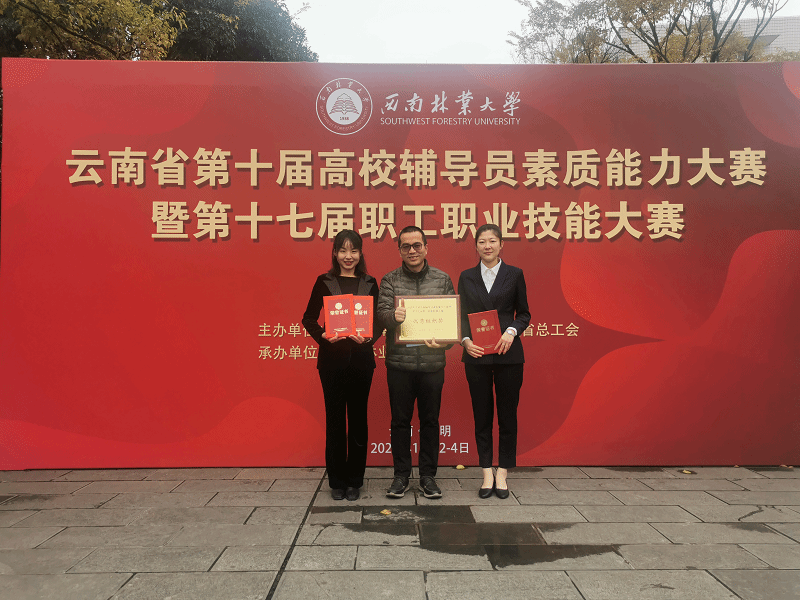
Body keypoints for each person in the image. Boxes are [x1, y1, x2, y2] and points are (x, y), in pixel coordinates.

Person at [377, 225, 455, 499]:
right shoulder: (389, 280)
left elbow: (451, 321)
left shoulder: (442, 279)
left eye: (417, 245)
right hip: (400, 365)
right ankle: (400, 476)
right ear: (399, 250)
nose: (412, 251)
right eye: (406, 246)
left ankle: (427, 477)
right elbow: (381, 314)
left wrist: (445, 342)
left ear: (426, 248)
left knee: (430, 421)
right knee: (400, 422)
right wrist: (393, 317)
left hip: (432, 365)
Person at [302, 230, 379, 501]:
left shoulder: (369, 283)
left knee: (358, 421)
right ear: (335, 253)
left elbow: (377, 322)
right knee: (334, 421)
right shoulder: (325, 281)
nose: (349, 256)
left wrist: (368, 338)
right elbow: (309, 318)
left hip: (361, 362)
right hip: (331, 362)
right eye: (343, 250)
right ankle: (336, 480)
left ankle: (355, 480)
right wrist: (323, 336)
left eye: (354, 251)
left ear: (360, 253)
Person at [458, 223, 530, 499]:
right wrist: (466, 341)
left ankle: (503, 472)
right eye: (482, 241)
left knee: (507, 415)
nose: (487, 246)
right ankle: (486, 471)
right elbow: (461, 316)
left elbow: (524, 313)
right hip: (476, 355)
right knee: (482, 415)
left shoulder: (515, 274)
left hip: (508, 355)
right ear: (476, 246)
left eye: (492, 241)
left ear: (501, 244)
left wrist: (511, 331)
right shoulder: (467, 276)